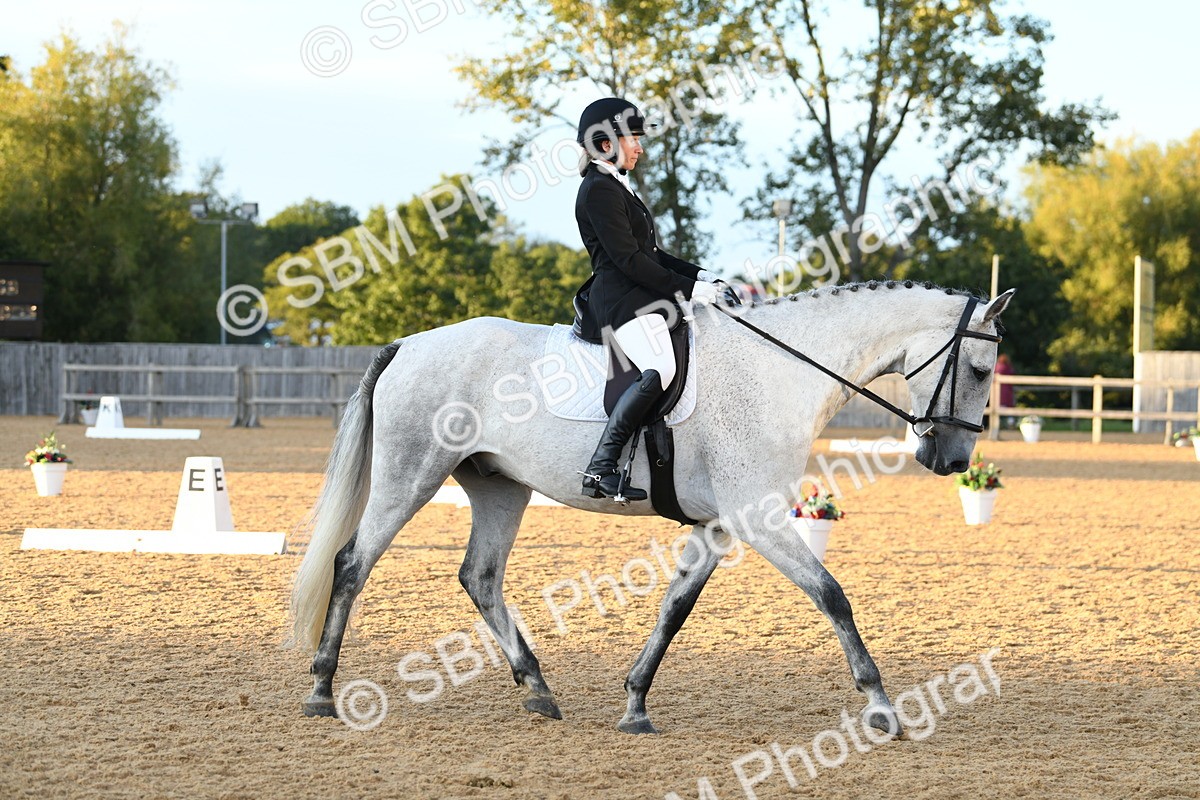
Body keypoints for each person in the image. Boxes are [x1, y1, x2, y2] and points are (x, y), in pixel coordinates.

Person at [571, 97, 725, 501]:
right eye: (632, 139)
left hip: (638, 294)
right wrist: (691, 291)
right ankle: (601, 466)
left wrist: (702, 275)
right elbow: (629, 260)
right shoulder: (598, 191)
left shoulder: (617, 186)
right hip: (619, 300)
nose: (639, 147)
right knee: (661, 366)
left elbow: (654, 254)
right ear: (606, 143)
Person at [995, 353, 1015, 428]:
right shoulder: (1008, 368)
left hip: (998, 392)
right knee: (1009, 410)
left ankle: (996, 425)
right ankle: (1010, 424)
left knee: (997, 409)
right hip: (1008, 391)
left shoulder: (996, 367)